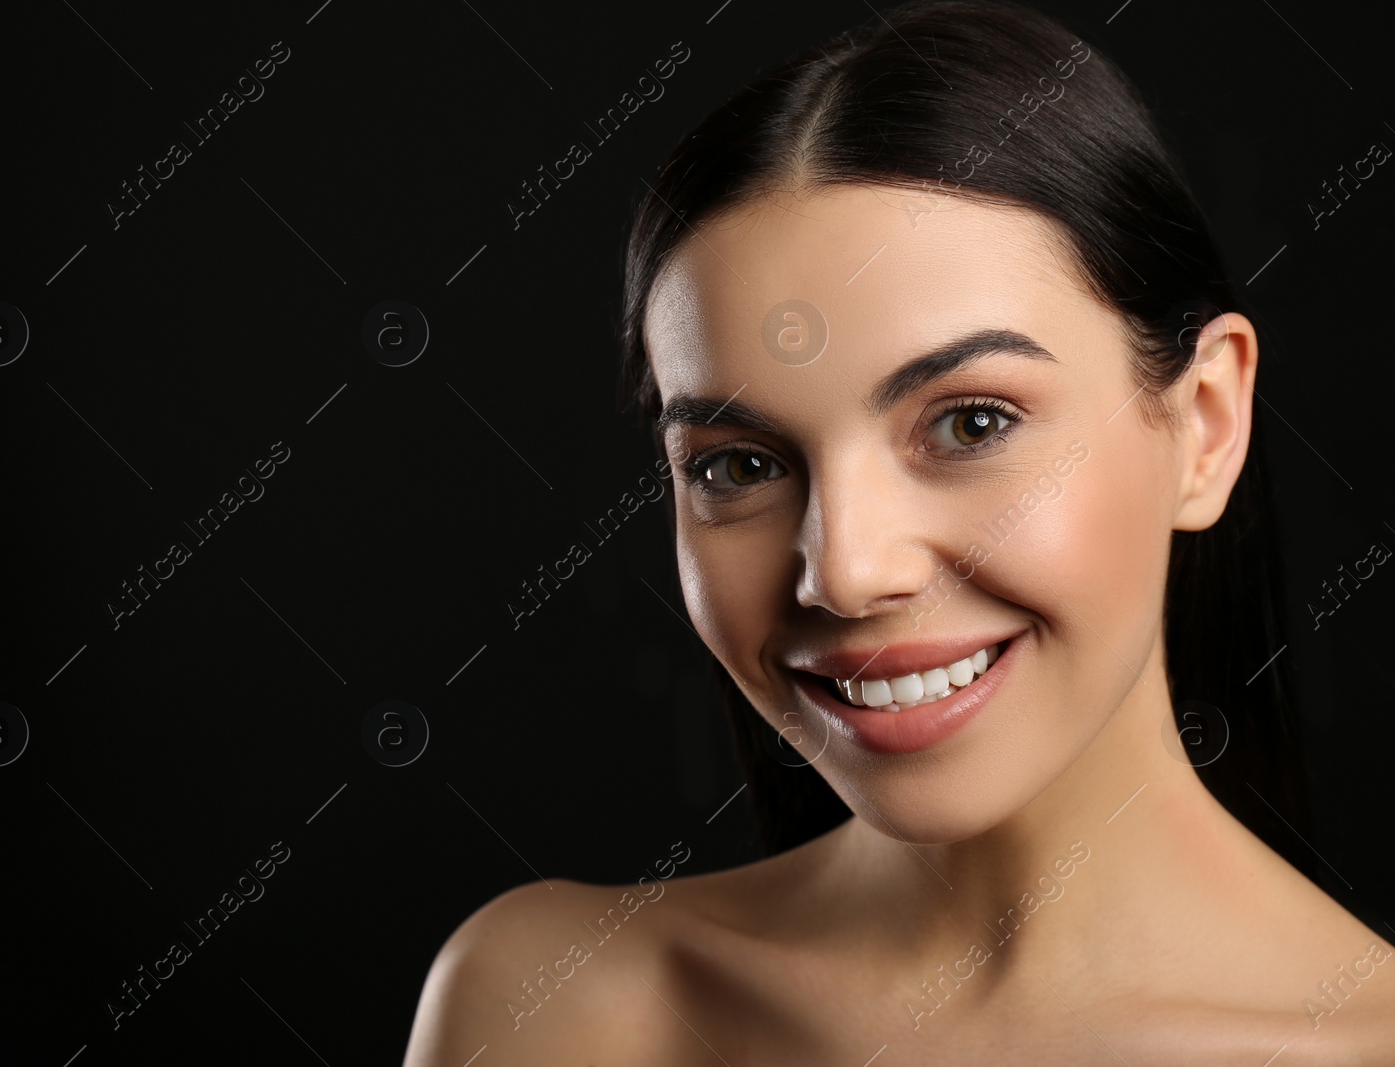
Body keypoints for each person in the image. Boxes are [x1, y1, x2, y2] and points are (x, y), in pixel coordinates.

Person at [402, 2, 1395, 1060]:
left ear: (1203, 425)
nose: (844, 570)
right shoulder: (550, 1002)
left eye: (972, 422)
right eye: (738, 464)